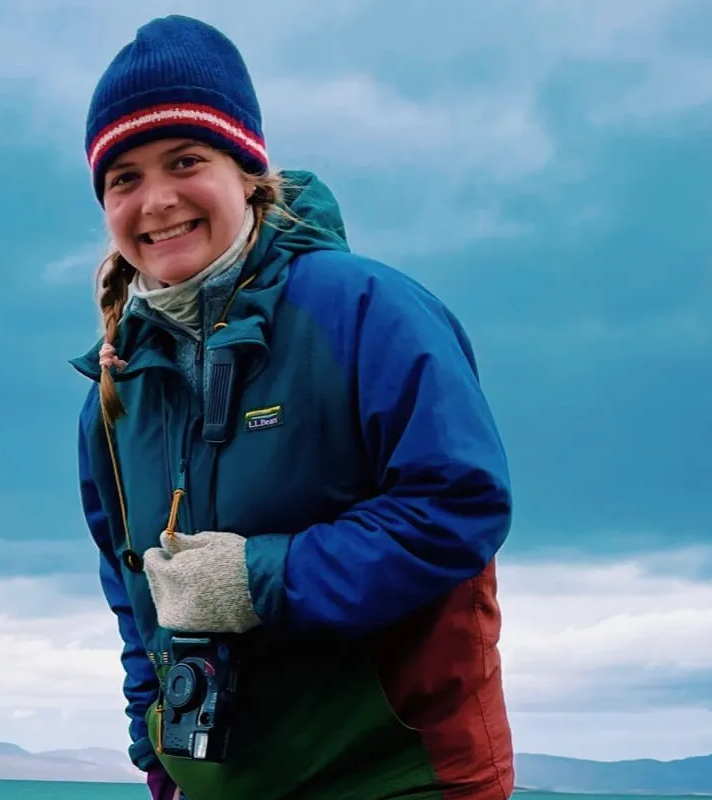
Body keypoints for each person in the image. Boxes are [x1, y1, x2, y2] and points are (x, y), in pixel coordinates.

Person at [70, 14, 515, 800]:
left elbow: (459, 505)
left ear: (247, 171)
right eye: (124, 178)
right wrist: (155, 752)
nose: (157, 200)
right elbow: (130, 593)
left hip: (393, 772)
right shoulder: (115, 392)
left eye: (185, 160)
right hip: (220, 784)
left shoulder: (365, 309)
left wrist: (255, 578)